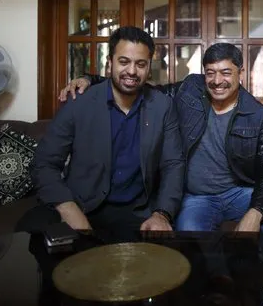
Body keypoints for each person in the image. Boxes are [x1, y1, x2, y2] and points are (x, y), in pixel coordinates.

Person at [59, 42, 263, 235]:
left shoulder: (257, 114)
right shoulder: (190, 89)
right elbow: (144, 89)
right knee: (188, 232)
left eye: (226, 72)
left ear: (240, 73)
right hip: (195, 196)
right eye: (210, 73)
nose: (217, 81)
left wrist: (255, 212)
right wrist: (92, 79)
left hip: (237, 193)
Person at [20, 26, 185, 237]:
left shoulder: (163, 107)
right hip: (81, 206)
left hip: (136, 214)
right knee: (31, 233)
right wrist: (68, 207)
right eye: (124, 62)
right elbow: (44, 163)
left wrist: (162, 214)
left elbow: (173, 165)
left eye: (140, 64)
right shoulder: (78, 101)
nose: (132, 71)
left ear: (148, 67)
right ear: (109, 63)